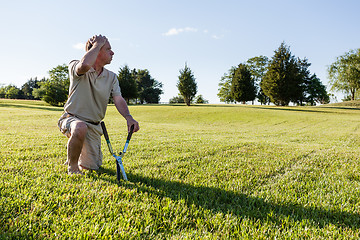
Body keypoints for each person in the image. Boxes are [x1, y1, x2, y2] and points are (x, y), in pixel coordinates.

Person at [58, 34, 139, 175]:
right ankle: (72, 167)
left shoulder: (112, 77)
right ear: (97, 50)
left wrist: (128, 117)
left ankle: (77, 152)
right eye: (108, 49)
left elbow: (118, 99)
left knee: (91, 167)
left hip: (94, 125)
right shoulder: (75, 65)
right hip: (71, 118)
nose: (112, 53)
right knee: (79, 127)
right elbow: (84, 66)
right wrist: (96, 44)